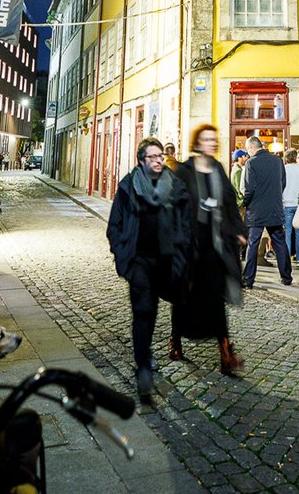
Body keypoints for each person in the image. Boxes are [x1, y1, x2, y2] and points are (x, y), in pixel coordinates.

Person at [106, 137, 191, 400]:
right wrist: (124, 258)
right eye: (152, 157)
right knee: (144, 311)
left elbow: (186, 221)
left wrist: (184, 248)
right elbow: (115, 226)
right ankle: (143, 367)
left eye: (160, 157)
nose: (157, 161)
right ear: (141, 160)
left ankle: (170, 344)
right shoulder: (128, 187)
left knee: (179, 302)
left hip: (167, 261)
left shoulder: (175, 186)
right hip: (139, 261)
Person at [169, 123, 247, 376]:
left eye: (214, 139)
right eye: (207, 139)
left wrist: (237, 230)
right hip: (190, 246)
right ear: (197, 143)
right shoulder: (184, 171)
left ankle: (226, 353)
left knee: (216, 297)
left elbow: (229, 203)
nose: (212, 143)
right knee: (184, 296)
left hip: (214, 245)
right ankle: (176, 340)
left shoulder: (218, 168)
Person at [240, 135, 293, 288]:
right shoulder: (277, 161)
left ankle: (248, 279)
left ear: (251, 147)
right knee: (279, 242)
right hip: (274, 208)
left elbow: (249, 188)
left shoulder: (251, 163)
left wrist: (245, 203)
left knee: (253, 243)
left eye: (247, 149)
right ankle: (286, 277)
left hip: (256, 210)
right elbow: (283, 183)